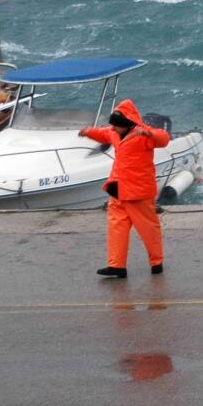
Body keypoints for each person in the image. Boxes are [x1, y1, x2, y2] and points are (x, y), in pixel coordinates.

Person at [78, 99, 170, 279]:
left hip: (138, 192)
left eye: (117, 126)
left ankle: (156, 262)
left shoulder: (144, 135)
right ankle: (116, 265)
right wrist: (88, 132)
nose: (113, 128)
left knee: (148, 229)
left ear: (127, 124)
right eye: (113, 126)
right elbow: (102, 134)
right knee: (116, 227)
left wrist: (149, 133)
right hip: (118, 188)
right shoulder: (114, 132)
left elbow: (163, 138)